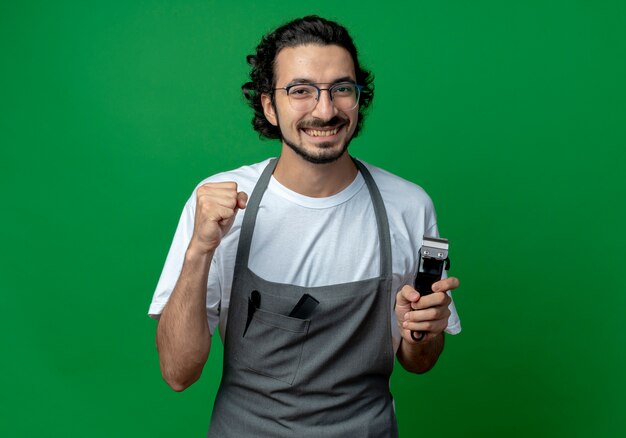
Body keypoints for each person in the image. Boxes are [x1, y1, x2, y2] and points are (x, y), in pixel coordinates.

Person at [149, 15, 461, 437]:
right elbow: (177, 373)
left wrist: (423, 331)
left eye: (341, 89)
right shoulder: (216, 203)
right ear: (268, 106)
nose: (325, 109)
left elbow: (418, 362)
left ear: (357, 98)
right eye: (301, 91)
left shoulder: (409, 206)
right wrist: (199, 250)